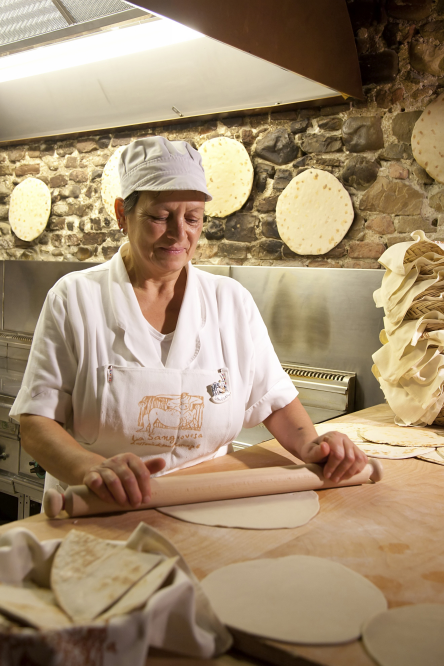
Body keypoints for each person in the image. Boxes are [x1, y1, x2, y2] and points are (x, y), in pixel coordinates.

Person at [11, 137, 367, 509]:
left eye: (193, 218)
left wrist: (315, 446)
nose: (180, 233)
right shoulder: (75, 299)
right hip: (98, 509)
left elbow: (274, 401)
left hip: (205, 507)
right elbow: (36, 422)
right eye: (160, 216)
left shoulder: (230, 301)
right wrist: (92, 469)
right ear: (121, 214)